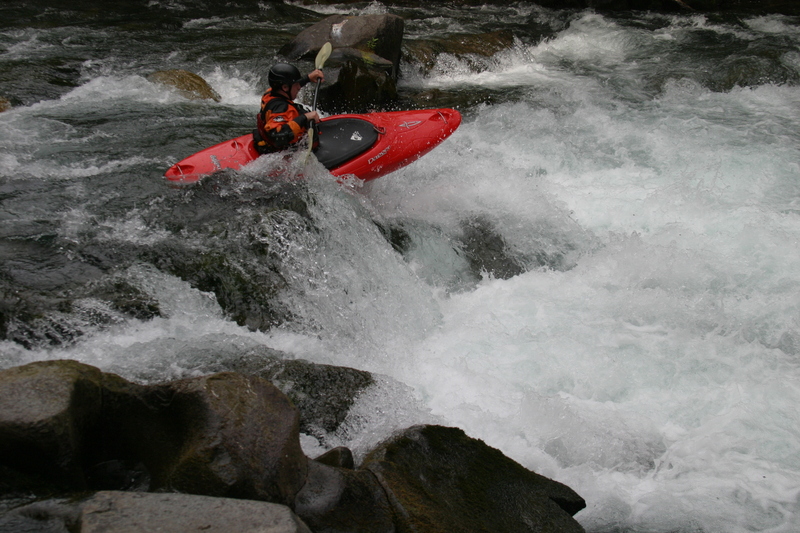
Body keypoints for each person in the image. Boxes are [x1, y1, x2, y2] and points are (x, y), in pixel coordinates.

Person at [253, 63, 324, 154]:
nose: (299, 87)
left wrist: (308, 78)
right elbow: (277, 137)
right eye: (296, 85)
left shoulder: (269, 93)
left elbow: (290, 86)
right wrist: (304, 117)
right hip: (288, 153)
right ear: (285, 87)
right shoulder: (281, 108)